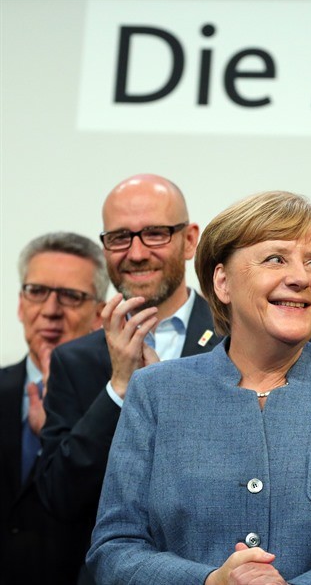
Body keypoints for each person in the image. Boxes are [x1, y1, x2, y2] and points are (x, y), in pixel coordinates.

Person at [86, 190, 311, 584]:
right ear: (222, 282)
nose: (301, 278)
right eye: (275, 259)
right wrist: (211, 582)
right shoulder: (157, 391)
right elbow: (114, 548)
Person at [36, 174, 220, 585]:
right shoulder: (74, 361)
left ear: (190, 240)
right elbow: (58, 499)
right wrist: (119, 388)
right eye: (120, 237)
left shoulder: (240, 341)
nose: (136, 253)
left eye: (155, 233)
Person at [0, 232, 108, 585]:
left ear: (99, 315)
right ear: (20, 304)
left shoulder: (116, 403)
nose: (50, 310)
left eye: (71, 297)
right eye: (37, 292)